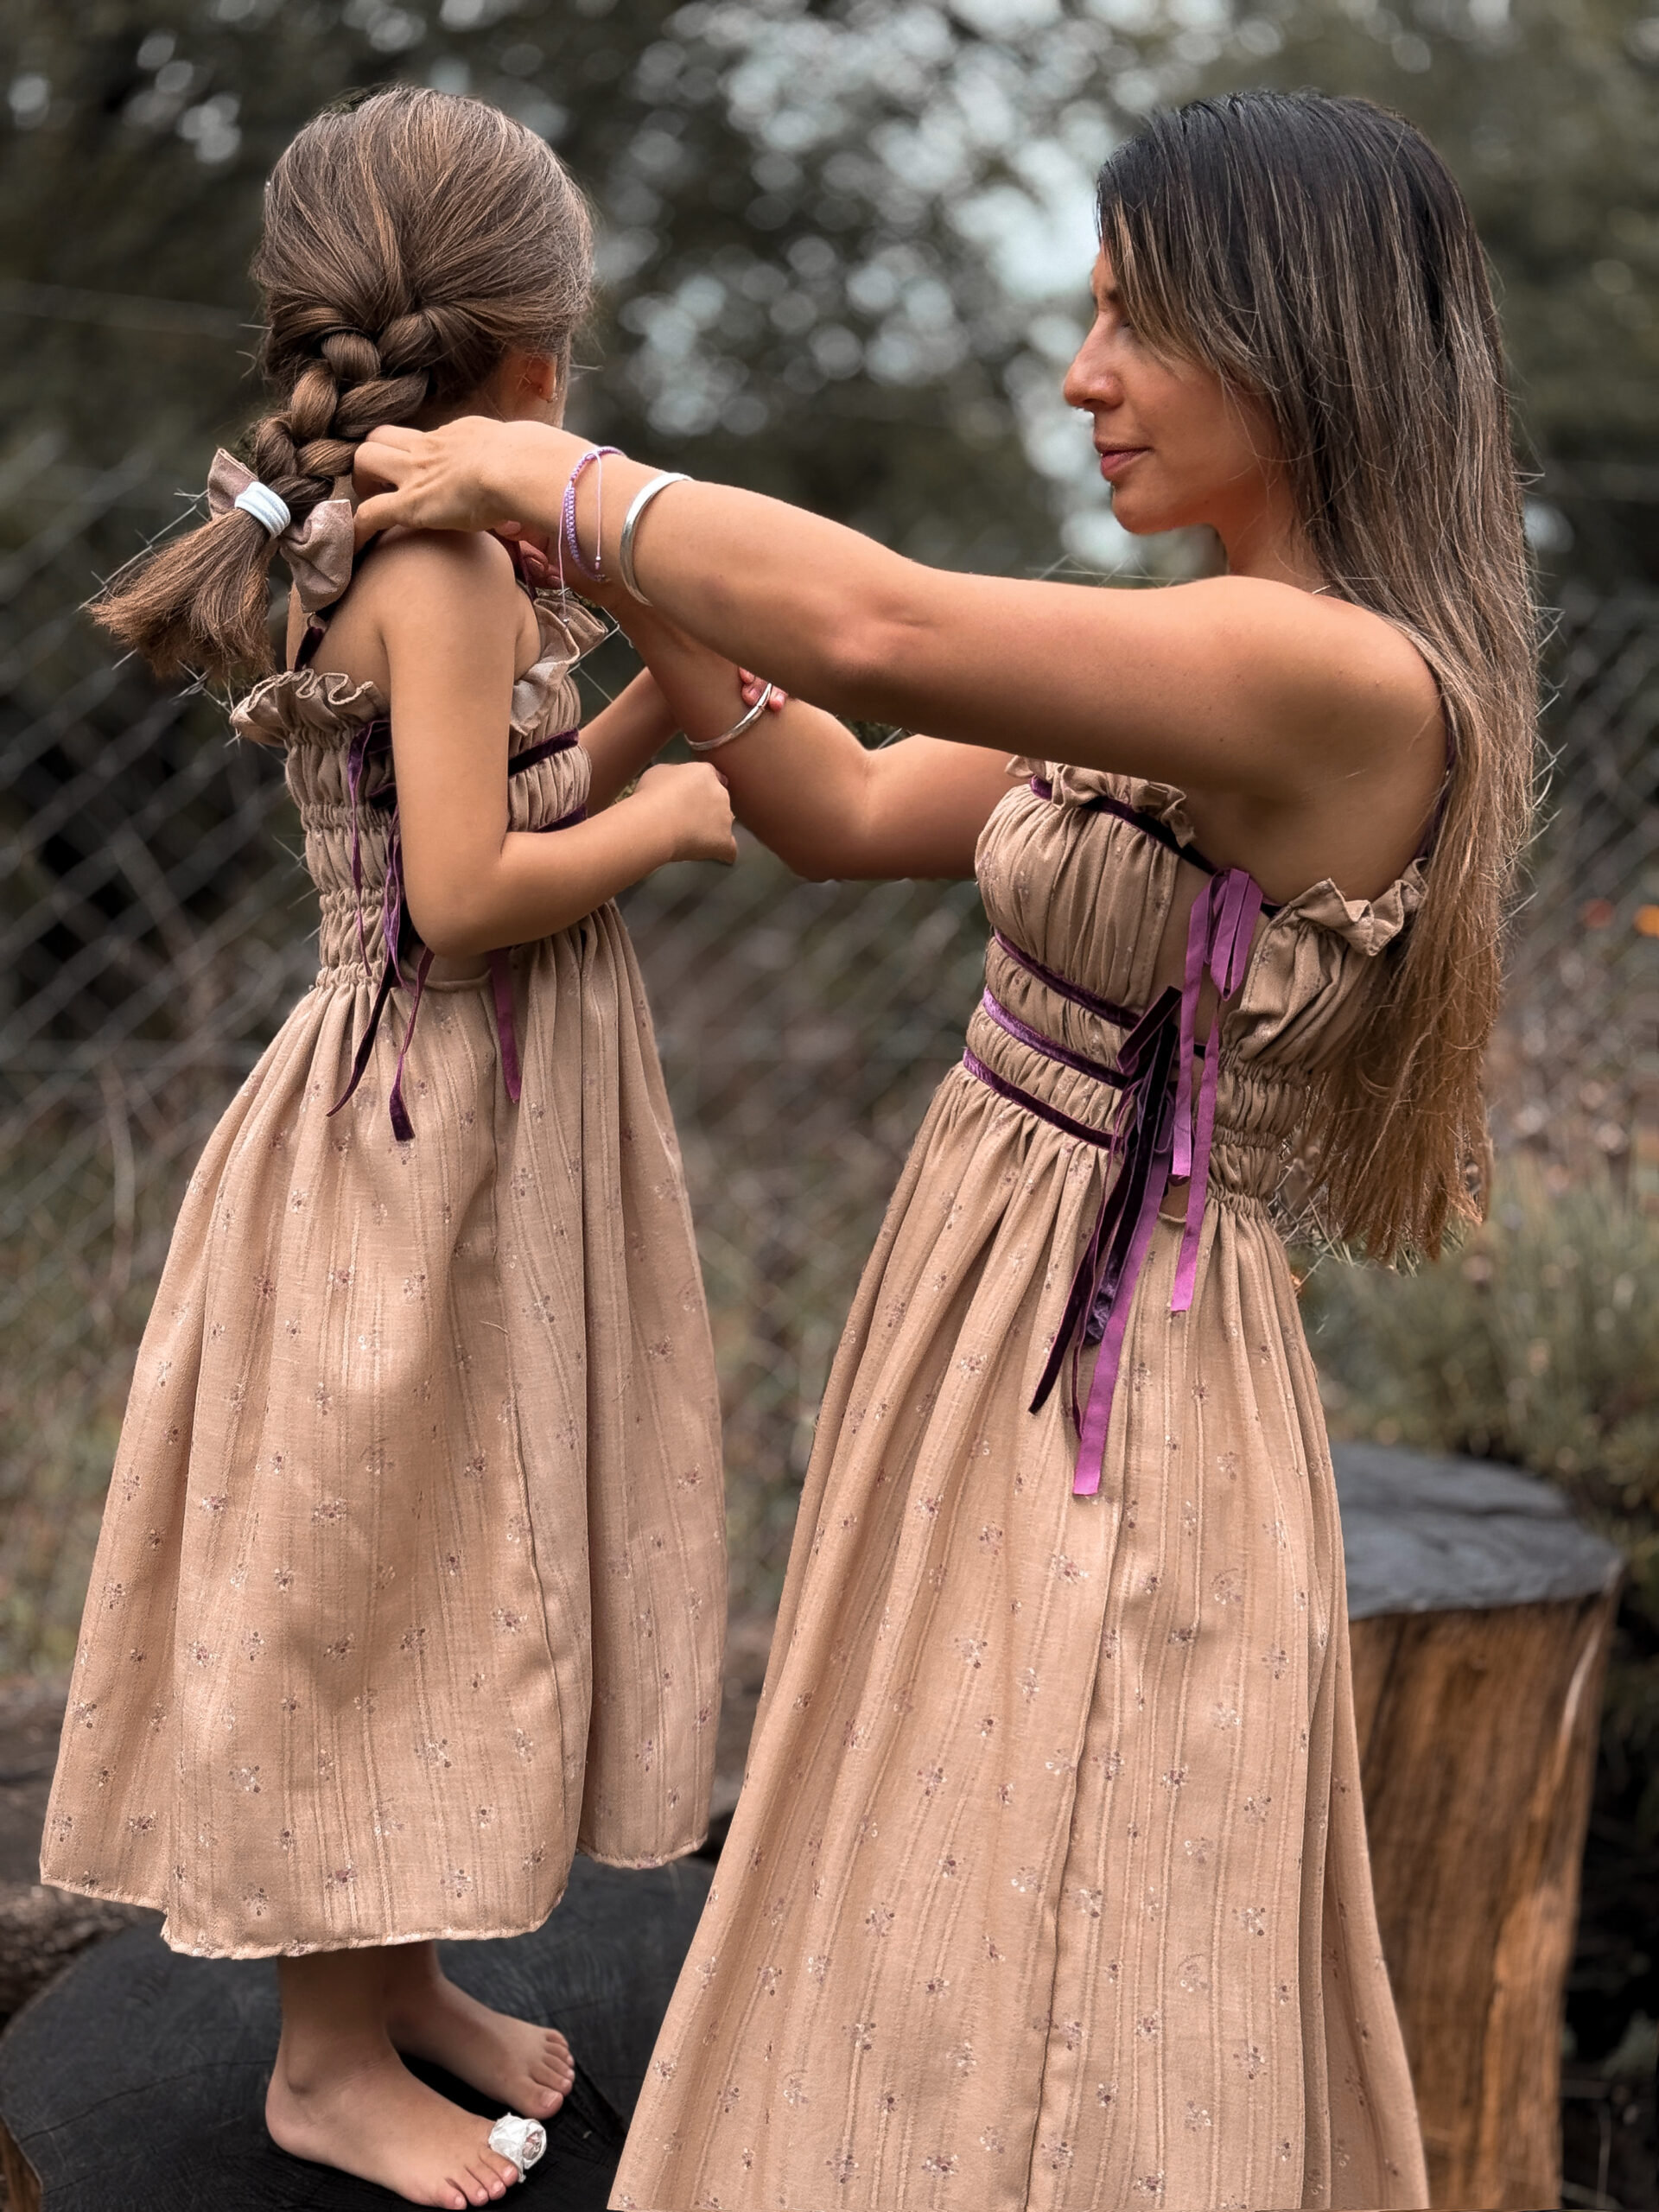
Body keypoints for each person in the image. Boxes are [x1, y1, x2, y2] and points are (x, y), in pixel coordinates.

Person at [354, 89, 1535, 2212]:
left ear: (1295, 334)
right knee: (942, 1851)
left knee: (1060, 1898)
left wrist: (558, 473)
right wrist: (640, 597)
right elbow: (841, 801)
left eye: (1134, 321)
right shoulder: (1184, 649)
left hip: (1115, 1384)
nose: (1083, 377)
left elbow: (882, 629)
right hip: (985, 1312)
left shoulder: (1336, 672)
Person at [40, 88, 756, 2211]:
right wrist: (676, 815)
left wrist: (649, 707)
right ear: (532, 352)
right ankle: (324, 2060)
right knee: (377, 1569)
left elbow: (504, 792)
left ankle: (408, 1973)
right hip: (422, 1135)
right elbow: (461, 891)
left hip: (481, 1127)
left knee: (452, 1551)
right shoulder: (433, 563)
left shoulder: (416, 540)